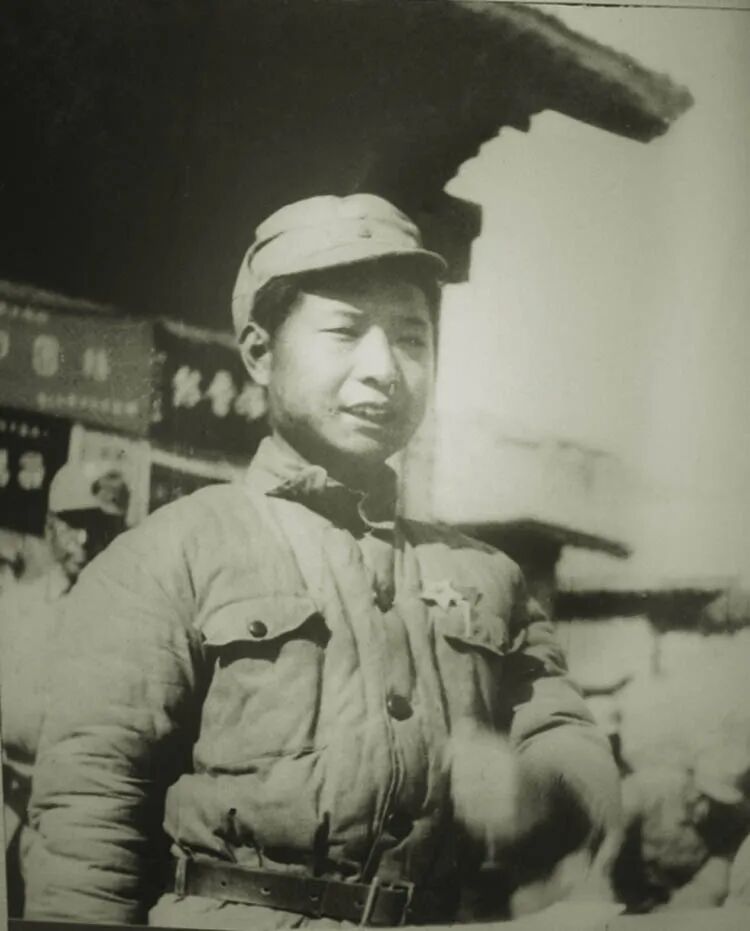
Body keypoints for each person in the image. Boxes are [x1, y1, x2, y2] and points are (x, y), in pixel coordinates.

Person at [24, 194, 621, 928]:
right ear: (259, 352)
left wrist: (542, 790)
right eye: (345, 331)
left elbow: (574, 750)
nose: (385, 369)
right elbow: (88, 826)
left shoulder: (486, 578)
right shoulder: (169, 557)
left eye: (412, 337)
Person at [1, 459, 130, 917]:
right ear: (49, 526)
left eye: (102, 526)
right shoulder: (13, 609)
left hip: (78, 838)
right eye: (74, 523)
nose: (86, 539)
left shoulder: (133, 625)